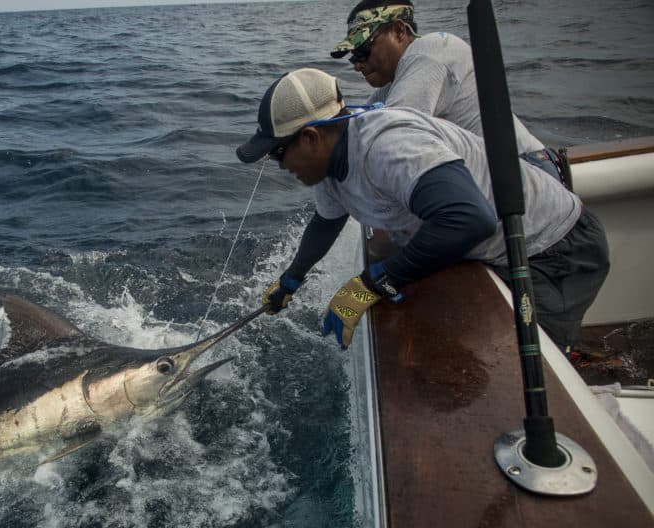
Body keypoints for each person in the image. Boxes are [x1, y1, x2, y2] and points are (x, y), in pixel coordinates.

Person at [236, 68, 608, 352]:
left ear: (311, 137)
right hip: (494, 251)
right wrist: (291, 279)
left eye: (278, 153)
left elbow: (469, 219)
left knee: (538, 362)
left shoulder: (388, 146)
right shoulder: (329, 168)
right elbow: (325, 223)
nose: (280, 166)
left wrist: (371, 284)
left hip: (552, 250)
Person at [330, 0, 568, 183]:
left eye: (363, 50)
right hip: (495, 175)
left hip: (522, 173)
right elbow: (358, 126)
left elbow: (390, 139)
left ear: (399, 31)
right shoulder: (397, 81)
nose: (358, 64)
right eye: (353, 57)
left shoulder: (427, 52)